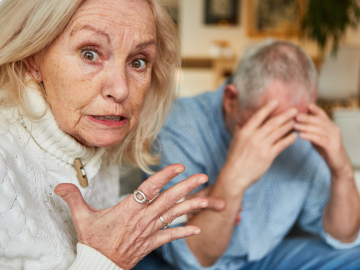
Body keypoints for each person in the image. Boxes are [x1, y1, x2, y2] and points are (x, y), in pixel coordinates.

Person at [0, 0, 214, 269]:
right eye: (89, 54)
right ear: (33, 57)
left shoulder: (94, 146)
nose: (121, 89)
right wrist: (105, 260)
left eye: (138, 62)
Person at [145, 40, 360, 270]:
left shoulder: (300, 132)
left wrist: (342, 172)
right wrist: (233, 181)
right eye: (269, 123)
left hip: (266, 257)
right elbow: (193, 259)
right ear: (231, 100)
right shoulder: (181, 126)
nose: (284, 137)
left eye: (294, 123)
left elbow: (343, 236)